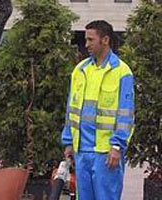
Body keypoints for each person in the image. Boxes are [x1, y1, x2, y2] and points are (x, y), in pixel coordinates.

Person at [61, 20, 134, 200]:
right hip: (82, 152)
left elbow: (126, 114)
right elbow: (71, 109)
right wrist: (68, 141)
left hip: (106, 153)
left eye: (90, 40)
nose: (86, 45)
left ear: (105, 40)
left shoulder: (122, 72)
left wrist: (117, 146)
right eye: (86, 40)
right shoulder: (80, 70)